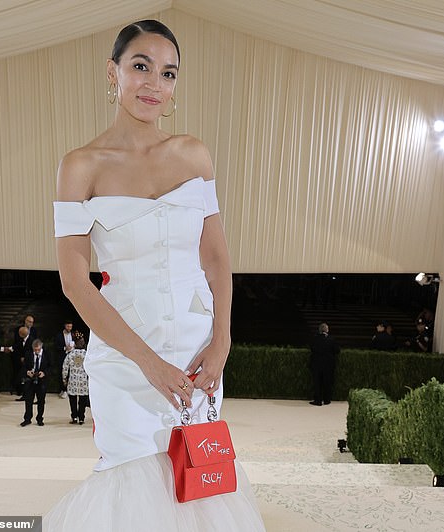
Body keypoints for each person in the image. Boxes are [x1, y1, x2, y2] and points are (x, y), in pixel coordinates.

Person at [48, 20, 265, 531]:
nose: (153, 84)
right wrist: (147, 363)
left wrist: (222, 341)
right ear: (113, 72)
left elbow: (216, 259)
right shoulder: (80, 166)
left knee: (198, 480)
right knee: (130, 475)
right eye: (140, 66)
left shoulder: (194, 154)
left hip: (196, 352)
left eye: (167, 74)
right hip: (126, 355)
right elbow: (75, 281)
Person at [20, 339, 51, 427]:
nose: (37, 351)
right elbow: (24, 367)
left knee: (41, 401)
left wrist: (44, 373)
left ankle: (40, 419)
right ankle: (27, 419)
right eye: (35, 350)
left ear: (41, 347)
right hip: (30, 381)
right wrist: (27, 372)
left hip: (42, 381)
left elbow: (51, 366)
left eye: (38, 349)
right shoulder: (28, 354)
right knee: (28, 400)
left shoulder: (47, 354)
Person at [309, 323, 340, 406]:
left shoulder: (315, 338)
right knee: (327, 382)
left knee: (317, 382)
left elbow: (312, 348)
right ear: (327, 330)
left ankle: (317, 400)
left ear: (319, 330)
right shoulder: (332, 339)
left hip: (316, 364)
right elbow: (337, 350)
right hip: (328, 364)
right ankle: (327, 400)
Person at [62, 332, 89, 425]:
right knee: (82, 401)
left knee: (73, 400)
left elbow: (65, 367)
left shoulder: (70, 354)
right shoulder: (87, 355)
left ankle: (74, 417)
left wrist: (64, 378)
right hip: (83, 382)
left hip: (73, 381)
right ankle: (81, 418)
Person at [9, 326, 33, 398]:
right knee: (18, 375)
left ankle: (26, 392)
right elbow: (17, 346)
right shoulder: (20, 339)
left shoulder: (31, 340)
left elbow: (31, 352)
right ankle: (19, 390)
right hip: (19, 362)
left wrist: (25, 358)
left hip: (27, 363)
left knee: (25, 378)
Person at [54, 320, 74, 398]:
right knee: (62, 372)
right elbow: (56, 346)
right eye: (68, 326)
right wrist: (65, 348)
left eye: (71, 327)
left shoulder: (73, 334)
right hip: (62, 356)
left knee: (70, 372)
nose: (69, 328)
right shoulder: (59, 335)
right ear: (65, 326)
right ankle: (63, 389)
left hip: (71, 356)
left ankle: (69, 389)